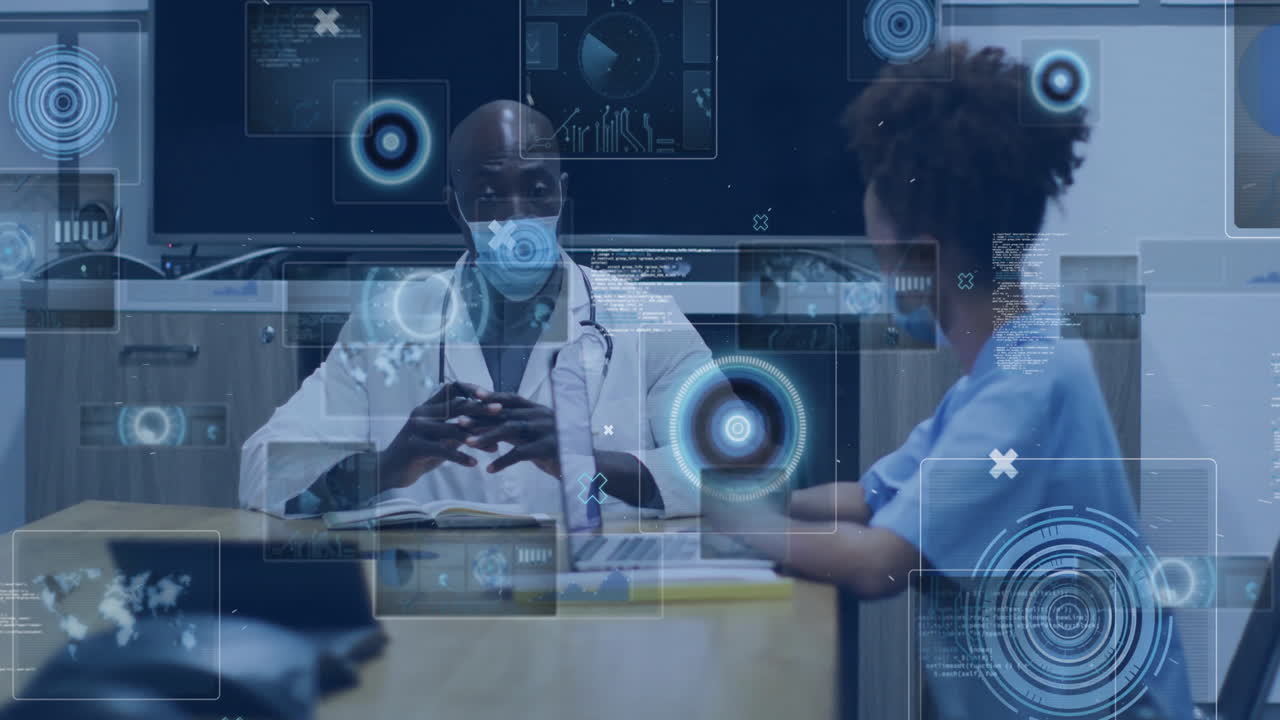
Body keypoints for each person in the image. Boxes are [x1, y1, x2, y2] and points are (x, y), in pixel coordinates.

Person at [706, 44, 1194, 720]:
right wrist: (748, 501)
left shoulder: (1030, 383)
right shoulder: (1006, 371)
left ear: (919, 254)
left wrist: (732, 521)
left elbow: (877, 562)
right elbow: (873, 498)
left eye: (879, 253)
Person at [239, 100, 710, 518]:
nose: (517, 216)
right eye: (488, 195)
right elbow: (261, 470)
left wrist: (591, 462)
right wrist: (383, 469)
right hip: (438, 602)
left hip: (598, 596)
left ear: (562, 192)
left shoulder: (648, 319)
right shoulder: (385, 324)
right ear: (453, 207)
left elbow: (741, 472)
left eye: (537, 190)